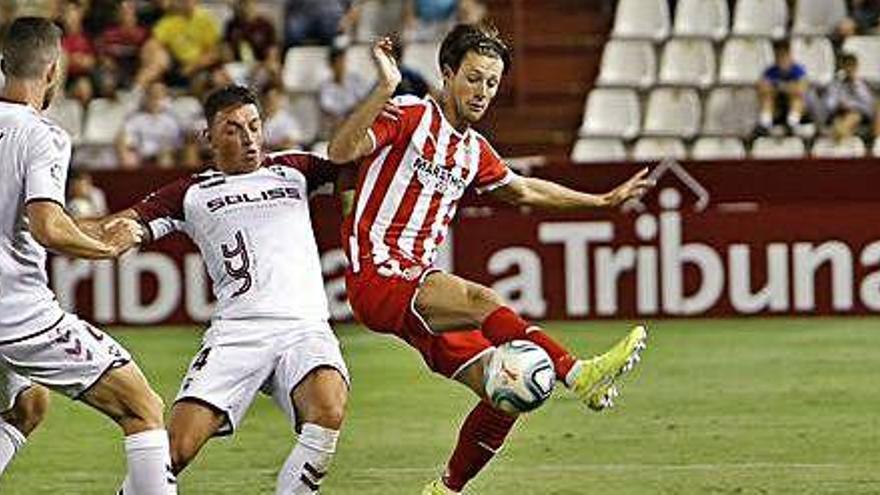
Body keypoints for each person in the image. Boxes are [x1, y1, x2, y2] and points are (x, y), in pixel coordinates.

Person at [327, 25, 653, 494]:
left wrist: (600, 202)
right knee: (481, 299)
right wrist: (384, 88)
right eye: (474, 78)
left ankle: (446, 490)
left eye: (492, 83)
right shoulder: (411, 115)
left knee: (515, 387)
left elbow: (523, 189)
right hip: (378, 277)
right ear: (447, 74)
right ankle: (577, 373)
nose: (483, 92)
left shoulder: (473, 150)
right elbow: (339, 152)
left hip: (416, 287)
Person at [108, 85, 350, 494]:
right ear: (209, 137)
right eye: (234, 129)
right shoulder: (191, 193)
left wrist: (384, 91)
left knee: (328, 409)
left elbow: (354, 162)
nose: (249, 138)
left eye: (254, 126)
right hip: (239, 331)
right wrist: (76, 233)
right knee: (175, 451)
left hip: (304, 327)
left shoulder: (295, 170)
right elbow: (122, 224)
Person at [0, 17, 176, 494]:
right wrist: (104, 248)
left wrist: (97, 225)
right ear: (54, 69)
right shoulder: (43, 135)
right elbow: (47, 227)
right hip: (17, 315)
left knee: (26, 407)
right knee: (143, 408)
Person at [115, 81, 184, 168]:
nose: (155, 99)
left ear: (166, 98)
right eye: (152, 95)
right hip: (140, 157)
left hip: (165, 157)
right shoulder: (135, 119)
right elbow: (126, 139)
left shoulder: (172, 120)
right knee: (128, 155)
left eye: (159, 95)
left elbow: (177, 144)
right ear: (146, 97)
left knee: (166, 158)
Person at [757, 40, 809, 134]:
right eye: (778, 55)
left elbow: (801, 89)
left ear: (789, 55)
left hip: (793, 105)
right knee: (766, 97)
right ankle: (765, 125)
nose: (781, 58)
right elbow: (762, 88)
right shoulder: (770, 71)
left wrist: (779, 87)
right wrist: (788, 87)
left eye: (784, 55)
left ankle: (791, 124)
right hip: (776, 104)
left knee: (797, 99)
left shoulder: (798, 70)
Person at [824, 53, 875, 141]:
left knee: (852, 117)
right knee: (838, 122)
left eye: (851, 66)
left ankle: (838, 134)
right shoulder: (836, 84)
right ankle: (842, 136)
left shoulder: (862, 85)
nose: (849, 69)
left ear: (856, 67)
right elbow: (829, 104)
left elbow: (869, 107)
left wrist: (851, 104)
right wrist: (838, 104)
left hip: (858, 114)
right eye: (847, 66)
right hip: (839, 113)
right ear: (843, 67)